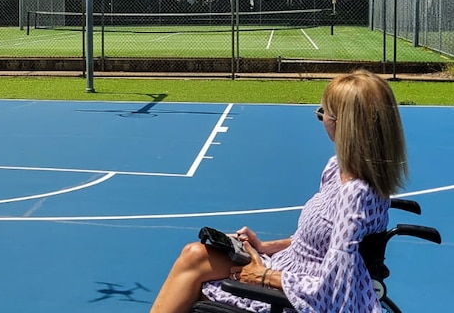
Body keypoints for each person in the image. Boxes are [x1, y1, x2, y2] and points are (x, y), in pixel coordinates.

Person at [149, 69, 408, 313]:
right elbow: (317, 240)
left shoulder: (356, 194)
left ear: (343, 124)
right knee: (194, 254)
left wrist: (263, 276)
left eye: (323, 113)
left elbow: (332, 287)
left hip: (300, 290)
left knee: (193, 272)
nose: (321, 120)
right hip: (287, 265)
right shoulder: (336, 168)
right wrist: (265, 246)